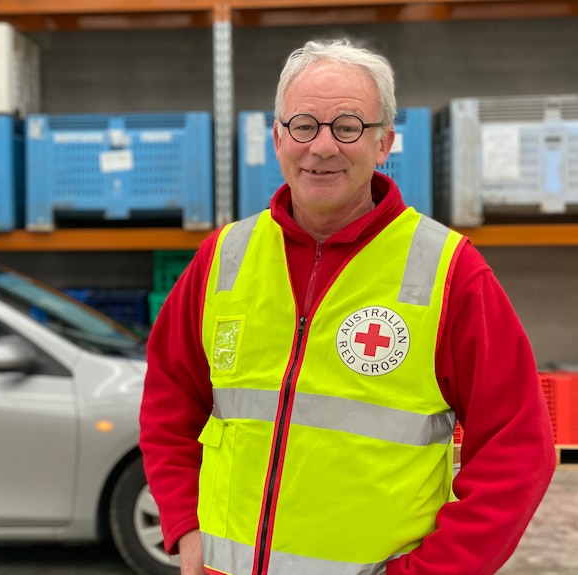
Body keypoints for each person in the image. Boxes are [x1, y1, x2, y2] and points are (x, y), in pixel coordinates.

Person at [139, 38, 556, 575]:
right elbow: (168, 402)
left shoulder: (449, 272)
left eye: (349, 127)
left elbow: (518, 447)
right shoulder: (224, 258)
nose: (323, 146)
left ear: (384, 142)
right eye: (304, 125)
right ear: (278, 138)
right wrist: (185, 527)